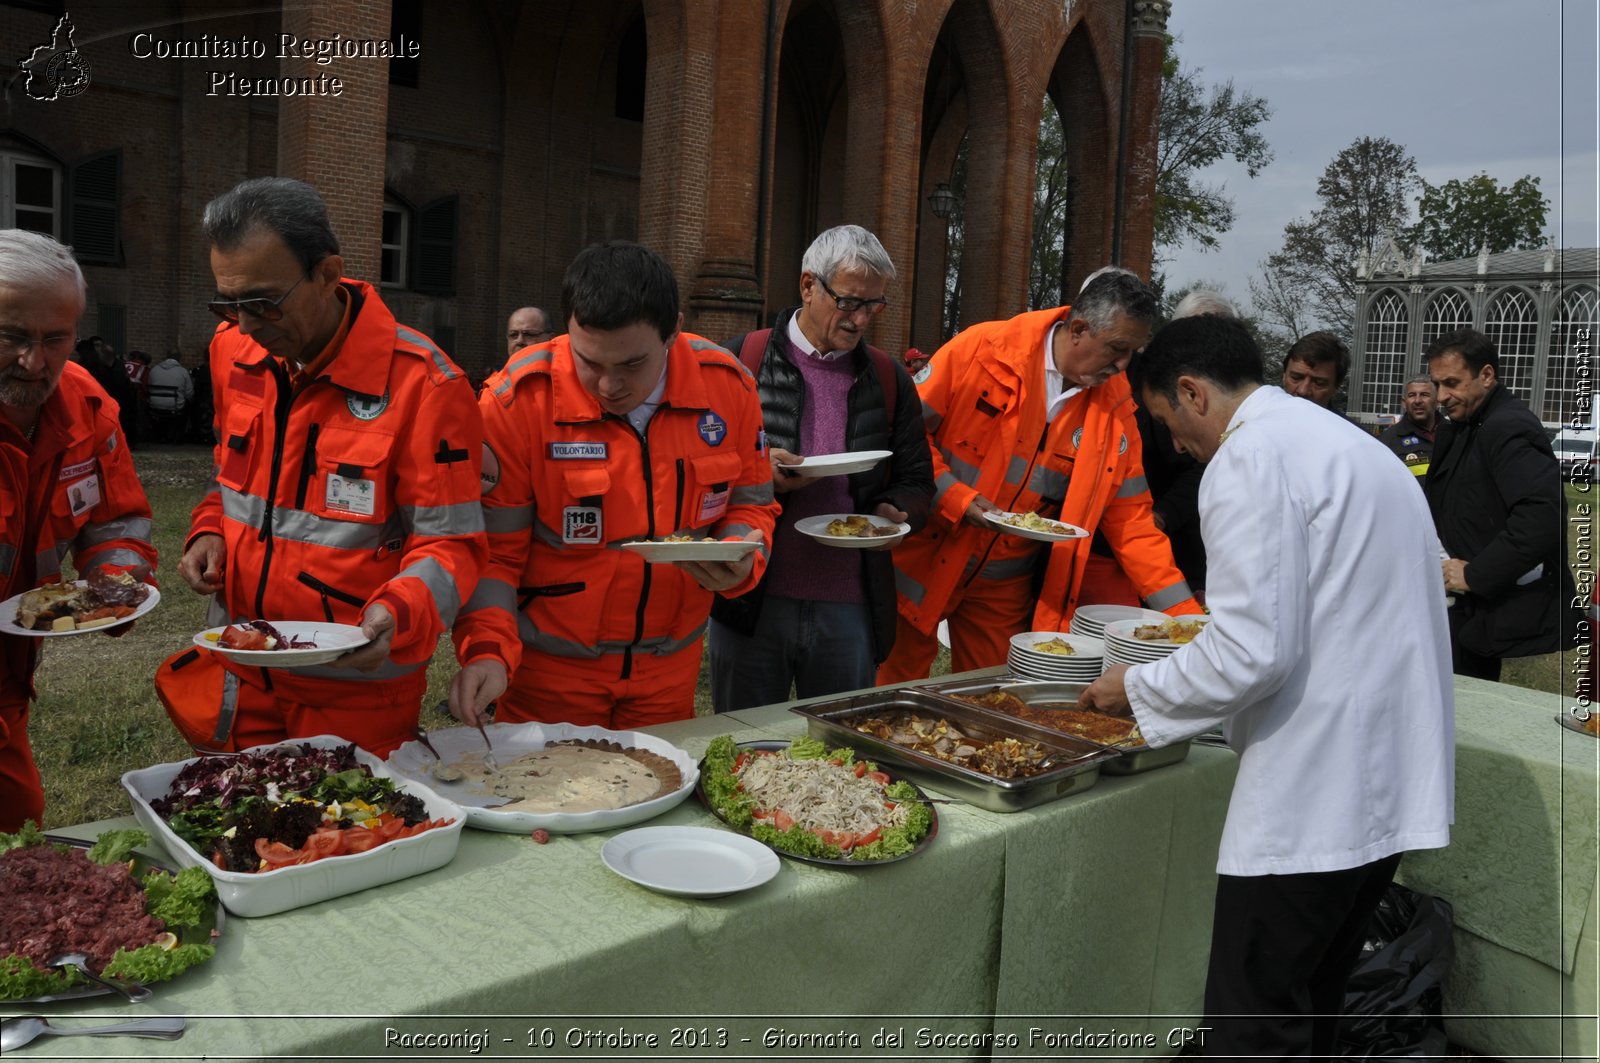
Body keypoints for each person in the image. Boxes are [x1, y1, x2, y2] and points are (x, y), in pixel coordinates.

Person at [1079, 313, 1454, 1060]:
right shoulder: (1356, 447)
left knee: (1253, 1021)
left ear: (1192, 393)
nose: (1178, 446)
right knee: (1311, 1001)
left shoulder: (1247, 460)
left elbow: (1252, 651)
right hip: (1392, 774)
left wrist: (1140, 689)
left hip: (1311, 793)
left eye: (1168, 424)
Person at [173, 177, 486, 756]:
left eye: (263, 302)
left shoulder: (425, 384)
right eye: (228, 303)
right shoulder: (234, 352)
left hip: (354, 687)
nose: (245, 325)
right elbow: (230, 482)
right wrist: (209, 529)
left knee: (344, 837)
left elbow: (452, 544)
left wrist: (400, 612)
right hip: (243, 670)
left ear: (327, 273)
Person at [450, 242, 779, 729]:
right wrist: (488, 649)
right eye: (590, 363)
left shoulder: (728, 387)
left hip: (670, 673)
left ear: (674, 332)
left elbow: (752, 506)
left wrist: (741, 554)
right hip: (550, 676)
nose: (608, 386)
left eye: (630, 365)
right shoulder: (517, 401)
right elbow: (494, 553)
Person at [878, 271, 1198, 683]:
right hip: (922, 563)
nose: (1123, 366)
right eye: (1118, 349)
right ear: (1079, 329)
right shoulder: (982, 350)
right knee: (887, 697)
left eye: (1132, 352)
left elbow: (1133, 524)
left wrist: (1187, 622)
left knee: (993, 702)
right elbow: (906, 434)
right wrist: (954, 497)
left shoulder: (1115, 407)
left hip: (1001, 587)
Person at [707, 225, 933, 711]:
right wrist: (755, 472)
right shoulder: (737, 360)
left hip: (849, 603)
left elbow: (917, 479)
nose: (860, 320)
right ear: (809, 286)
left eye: (874, 306)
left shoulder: (890, 378)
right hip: (754, 598)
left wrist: (895, 511)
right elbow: (691, 472)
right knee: (741, 745)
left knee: (837, 748)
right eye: (850, 302)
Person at [0, 230, 157, 831]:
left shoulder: (87, 409)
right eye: (12, 336)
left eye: (54, 339)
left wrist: (115, 583)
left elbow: (115, 519)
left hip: (10, 681)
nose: (33, 362)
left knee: (18, 826)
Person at [1424, 327, 1579, 680]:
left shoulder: (1507, 427)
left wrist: (1476, 575)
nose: (1441, 396)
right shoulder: (1470, 424)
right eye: (1437, 385)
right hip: (1459, 604)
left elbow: (1543, 515)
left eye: (1452, 383)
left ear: (1487, 375)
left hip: (1479, 605)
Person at [79, 335, 141, 449]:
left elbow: (122, 383)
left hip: (116, 399)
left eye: (99, 346)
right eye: (96, 346)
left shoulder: (115, 365)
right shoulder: (91, 364)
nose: (98, 349)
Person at [1378, 373, 1440, 481]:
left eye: (1424, 395)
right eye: (1412, 395)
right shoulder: (1387, 441)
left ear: (1437, 401)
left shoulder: (1456, 434)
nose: (1417, 401)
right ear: (1404, 403)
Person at [1281, 330, 1349, 409]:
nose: (1303, 391)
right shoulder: (1263, 417)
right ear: (1284, 376)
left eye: (1318, 383)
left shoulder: (1340, 422)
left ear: (1336, 387)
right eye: (1296, 378)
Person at [145, 350, 194, 444]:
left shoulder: (154, 369)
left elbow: (149, 387)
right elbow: (189, 392)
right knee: (187, 405)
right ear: (179, 358)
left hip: (155, 404)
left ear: (166, 356)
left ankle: (159, 435)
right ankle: (178, 437)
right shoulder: (183, 371)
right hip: (175, 405)